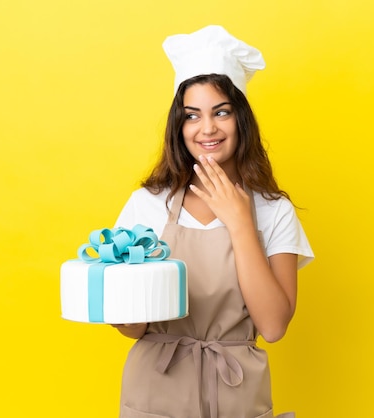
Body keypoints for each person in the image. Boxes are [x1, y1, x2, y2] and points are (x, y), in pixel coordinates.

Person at [112, 25, 314, 418]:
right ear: (179, 126)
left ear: (241, 119)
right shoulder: (147, 205)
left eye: (221, 112)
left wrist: (240, 222)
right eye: (192, 115)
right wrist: (121, 311)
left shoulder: (273, 211)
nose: (207, 128)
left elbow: (273, 326)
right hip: (156, 389)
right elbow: (134, 329)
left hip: (237, 392)